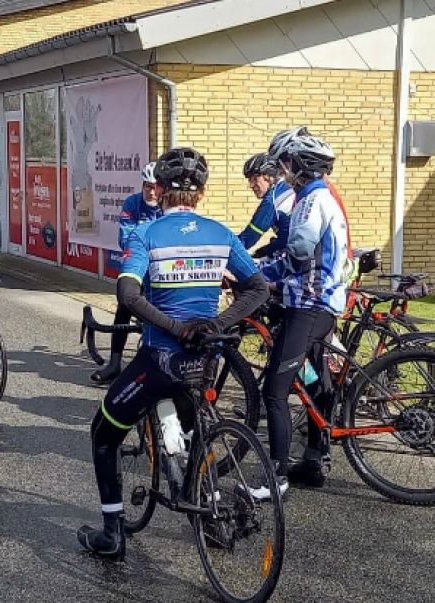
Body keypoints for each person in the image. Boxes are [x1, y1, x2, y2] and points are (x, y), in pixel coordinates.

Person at [76, 147, 269, 561]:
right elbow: (258, 288)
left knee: (103, 434)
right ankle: (209, 510)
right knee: (194, 426)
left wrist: (174, 327)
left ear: (160, 190)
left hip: (161, 359)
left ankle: (112, 535)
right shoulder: (221, 233)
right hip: (206, 356)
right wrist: (215, 324)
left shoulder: (145, 235)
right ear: (200, 194)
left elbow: (127, 293)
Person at [258, 132, 349, 496]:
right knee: (313, 382)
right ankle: (313, 460)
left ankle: (276, 479)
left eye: (284, 163)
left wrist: (258, 276)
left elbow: (296, 254)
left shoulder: (311, 201)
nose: (282, 170)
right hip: (320, 304)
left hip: (309, 306)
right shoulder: (317, 196)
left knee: (275, 392)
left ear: (299, 164)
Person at [90, 162, 162, 384]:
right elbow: (125, 239)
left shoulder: (167, 205)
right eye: (146, 186)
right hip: (138, 266)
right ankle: (114, 363)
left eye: (155, 186)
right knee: (124, 307)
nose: (150, 191)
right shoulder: (132, 203)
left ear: (163, 188)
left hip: (160, 270)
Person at [238, 152, 294, 261]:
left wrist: (220, 250)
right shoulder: (287, 187)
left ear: (268, 177)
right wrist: (267, 249)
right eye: (249, 180)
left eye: (254, 179)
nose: (251, 185)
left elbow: (247, 239)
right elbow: (288, 237)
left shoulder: (272, 200)